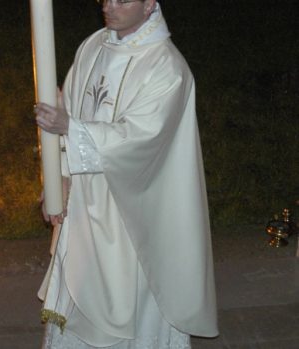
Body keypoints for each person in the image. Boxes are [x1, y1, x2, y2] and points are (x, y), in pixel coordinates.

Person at [34, 0, 218, 347]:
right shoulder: (93, 46)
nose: (109, 6)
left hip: (135, 211)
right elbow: (68, 111)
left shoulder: (167, 68)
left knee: (133, 303)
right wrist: (59, 177)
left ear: (150, 4)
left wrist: (72, 129)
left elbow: (143, 137)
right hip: (85, 205)